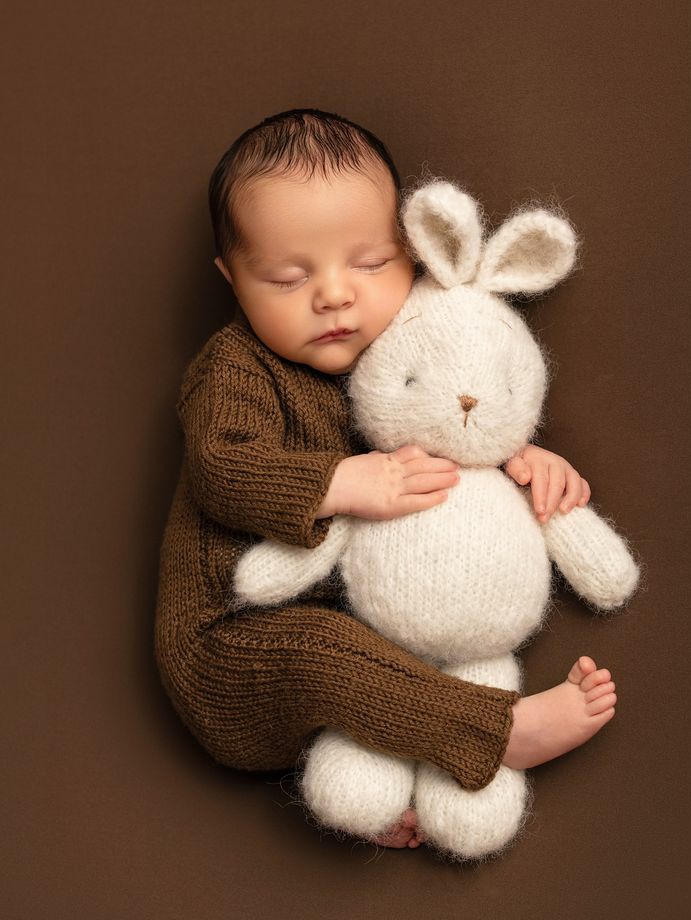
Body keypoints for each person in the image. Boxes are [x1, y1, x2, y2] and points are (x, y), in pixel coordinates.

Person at [154, 108, 618, 851]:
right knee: (323, 649)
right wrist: (343, 483)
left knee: (364, 657)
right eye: (286, 275)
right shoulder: (236, 367)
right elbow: (222, 469)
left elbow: (445, 425)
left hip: (345, 666)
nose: (334, 296)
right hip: (227, 651)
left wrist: (522, 461)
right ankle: (493, 733)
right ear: (232, 279)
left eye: (369, 263)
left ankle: (381, 783)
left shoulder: (394, 344)